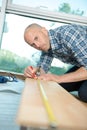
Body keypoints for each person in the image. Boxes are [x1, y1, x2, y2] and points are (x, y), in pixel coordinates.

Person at [24, 23, 87, 102]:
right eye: (33, 44)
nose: (37, 45)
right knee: (59, 86)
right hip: (83, 64)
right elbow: (43, 68)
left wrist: (58, 78)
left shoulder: (68, 35)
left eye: (36, 38)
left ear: (44, 31)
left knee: (84, 93)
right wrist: (35, 71)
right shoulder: (46, 45)